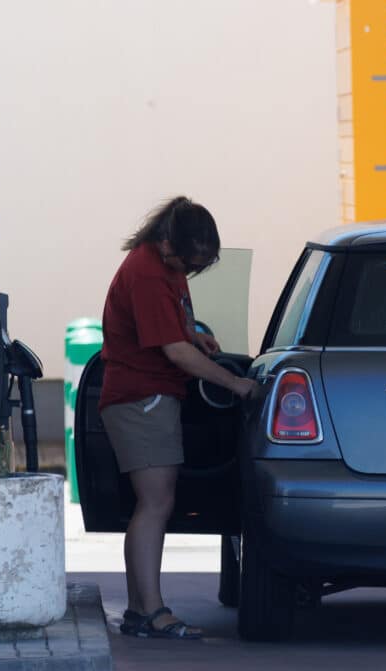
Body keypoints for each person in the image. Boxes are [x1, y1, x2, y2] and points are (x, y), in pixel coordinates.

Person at [98, 196, 257, 639]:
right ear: (170, 243)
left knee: (153, 505)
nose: (189, 271)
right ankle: (152, 611)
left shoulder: (162, 265)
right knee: (155, 505)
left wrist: (194, 334)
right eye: (189, 261)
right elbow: (175, 353)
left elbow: (176, 331)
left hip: (146, 397)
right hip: (141, 400)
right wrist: (235, 383)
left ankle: (139, 610)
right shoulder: (148, 273)